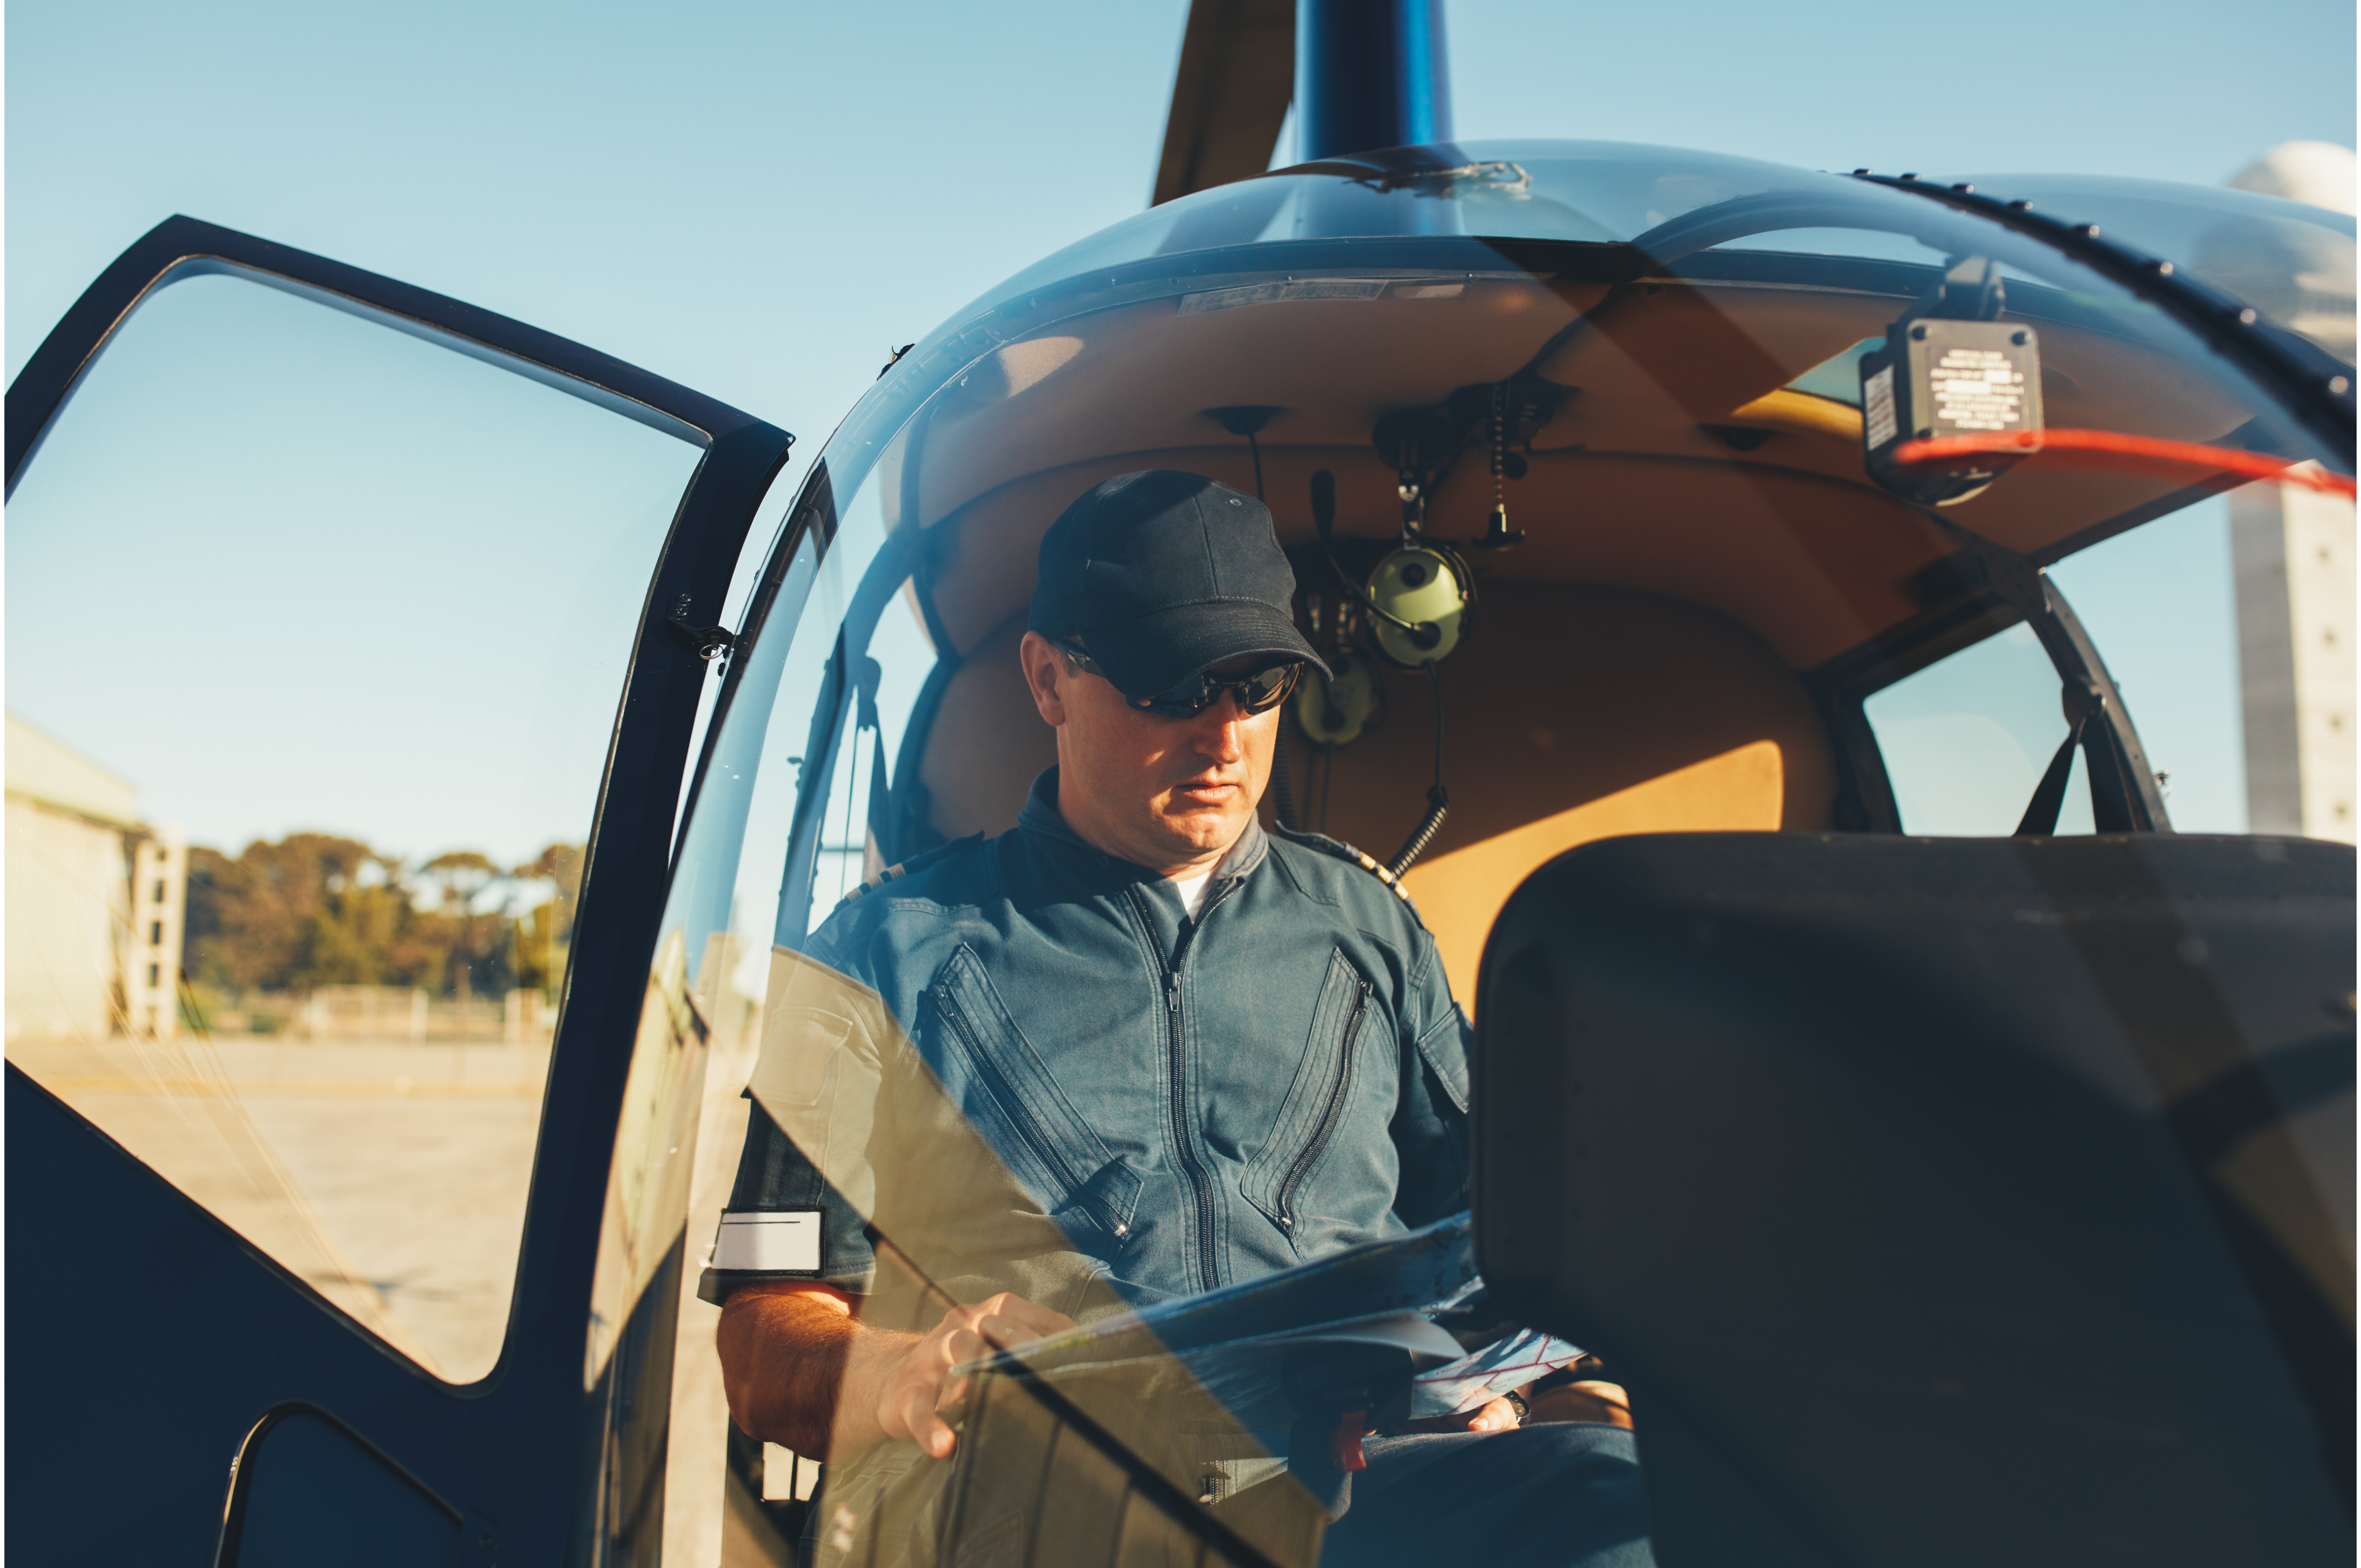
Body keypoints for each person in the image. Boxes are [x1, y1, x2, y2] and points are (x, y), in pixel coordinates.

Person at [705, 470, 1651, 1567]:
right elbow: (759, 1329)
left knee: (1611, 1494)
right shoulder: (878, 950)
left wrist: (1538, 1387)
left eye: (1255, 686)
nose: (1224, 735)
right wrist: (899, 1368)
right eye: (1171, 685)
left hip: (1352, 1477)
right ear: (1048, 677)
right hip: (1031, 1496)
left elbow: (1511, 1239)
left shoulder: (1370, 926)